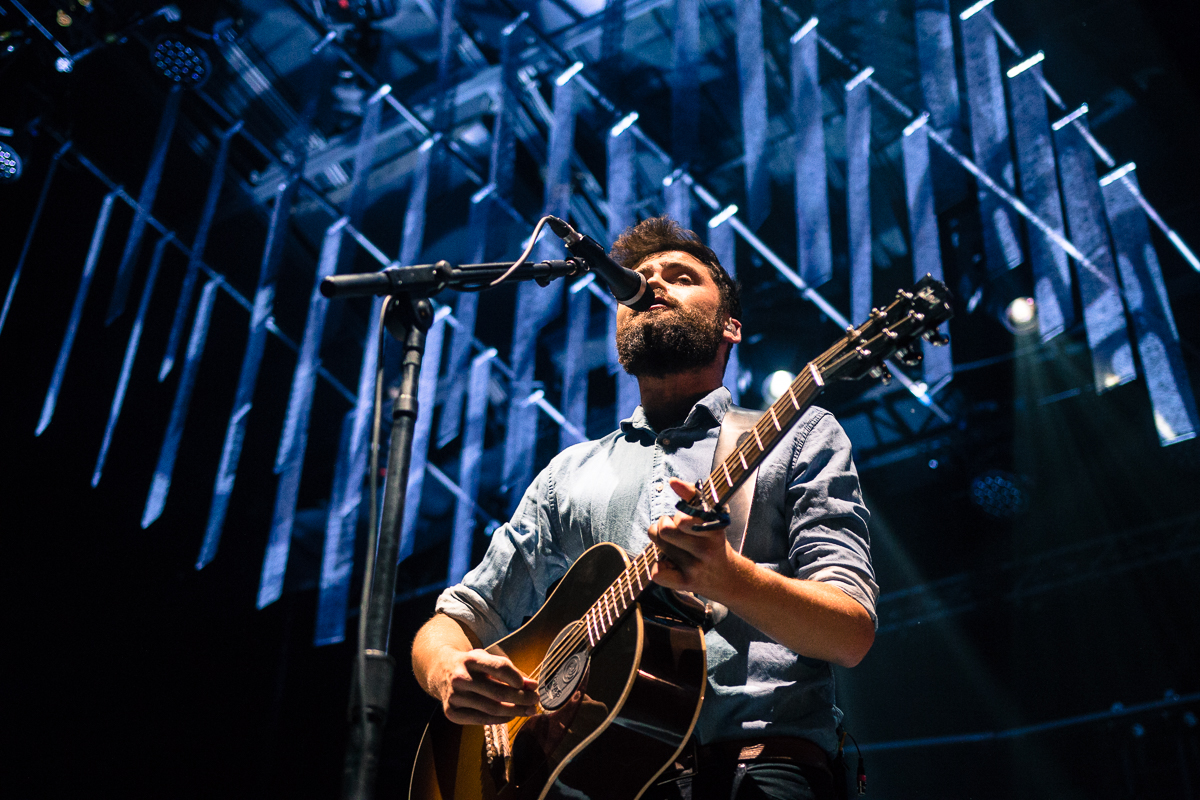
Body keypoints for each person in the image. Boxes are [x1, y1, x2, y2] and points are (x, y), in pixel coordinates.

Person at [411, 216, 877, 800]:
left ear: (730, 326)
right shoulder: (569, 474)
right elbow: (457, 619)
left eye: (680, 277)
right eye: (635, 280)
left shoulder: (798, 435)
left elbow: (850, 635)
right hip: (589, 784)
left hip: (755, 768)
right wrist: (447, 671)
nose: (650, 286)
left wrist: (731, 578)